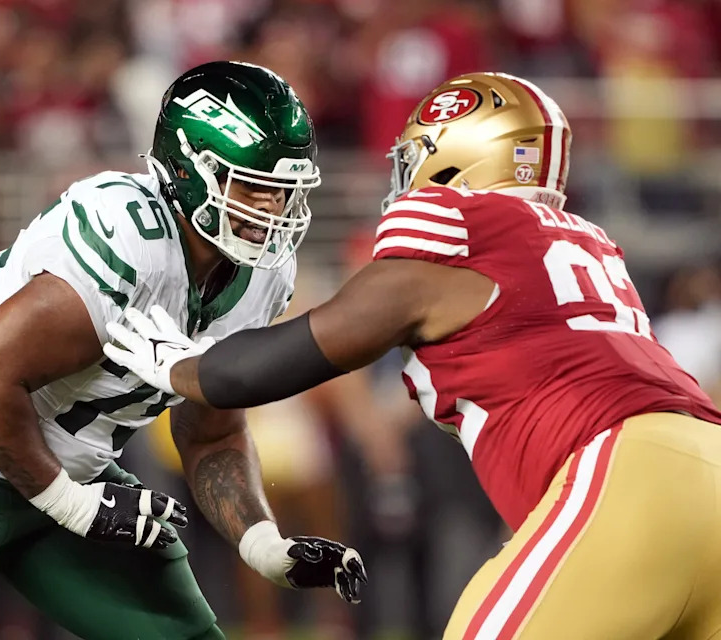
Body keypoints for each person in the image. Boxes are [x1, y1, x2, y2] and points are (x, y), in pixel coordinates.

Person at [104, 71, 721, 639]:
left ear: (453, 163)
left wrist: (174, 362)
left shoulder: (457, 233)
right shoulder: (585, 244)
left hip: (623, 474)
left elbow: (276, 361)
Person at [0, 61, 366, 640]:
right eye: (254, 186)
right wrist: (75, 506)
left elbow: (211, 431)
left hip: (66, 472)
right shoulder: (127, 231)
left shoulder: (264, 275)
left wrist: (264, 545)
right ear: (193, 171)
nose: (272, 211)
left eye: (285, 191)